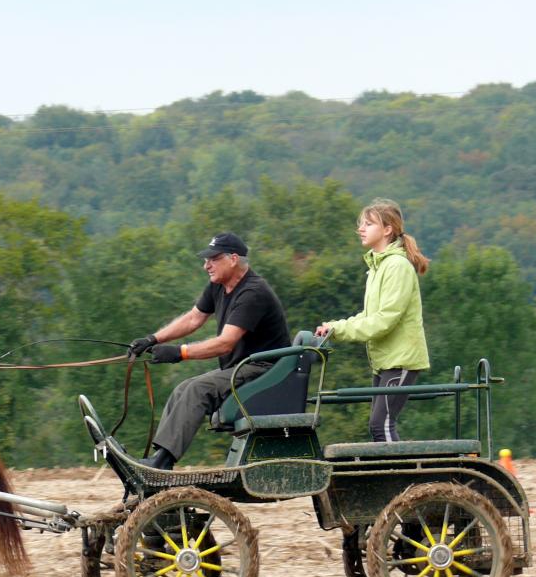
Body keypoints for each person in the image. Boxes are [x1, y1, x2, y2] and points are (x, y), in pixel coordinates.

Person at [127, 232, 291, 470]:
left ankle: (161, 464)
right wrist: (152, 339)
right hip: (242, 367)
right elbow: (194, 319)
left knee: (197, 389)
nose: (206, 265)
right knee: (182, 388)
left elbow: (225, 343)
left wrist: (178, 353)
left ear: (233, 259)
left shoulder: (253, 292)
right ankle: (160, 459)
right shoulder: (219, 286)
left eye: (213, 259)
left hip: (263, 370)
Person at [314, 199, 430, 442]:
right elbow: (369, 317)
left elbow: (384, 320)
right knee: (378, 425)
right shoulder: (377, 267)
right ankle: (398, 478)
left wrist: (339, 330)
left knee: (382, 425)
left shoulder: (396, 266)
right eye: (360, 224)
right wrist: (334, 327)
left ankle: (401, 480)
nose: (361, 229)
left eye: (368, 223)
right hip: (386, 361)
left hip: (401, 360)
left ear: (387, 229)